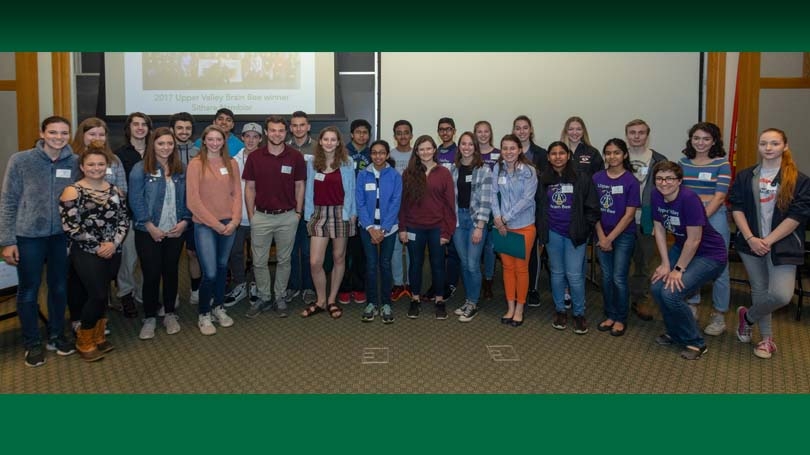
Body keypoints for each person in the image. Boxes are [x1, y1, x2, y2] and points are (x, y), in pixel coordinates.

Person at [1, 116, 77, 367]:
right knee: (29, 290)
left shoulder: (75, 162)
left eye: (63, 133)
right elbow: (8, 201)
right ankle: (31, 342)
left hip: (60, 237)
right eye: (53, 132)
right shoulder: (21, 160)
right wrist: (8, 240)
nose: (58, 137)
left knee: (58, 287)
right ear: (42, 133)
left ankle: (56, 335)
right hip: (28, 236)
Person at [730, 128, 810, 359]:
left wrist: (767, 241)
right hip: (750, 243)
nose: (768, 148)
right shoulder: (746, 176)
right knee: (760, 290)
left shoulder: (800, 180)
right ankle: (766, 340)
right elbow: (737, 207)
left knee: (781, 296)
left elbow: (796, 216)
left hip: (782, 245)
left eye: (774, 143)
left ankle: (747, 317)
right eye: (763, 143)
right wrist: (750, 238)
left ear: (785, 146)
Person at [60, 141, 129, 361]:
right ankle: (84, 338)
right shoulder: (72, 191)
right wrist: (99, 246)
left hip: (113, 250)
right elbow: (71, 227)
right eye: (91, 164)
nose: (96, 168)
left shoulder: (115, 191)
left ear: (106, 166)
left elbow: (123, 221)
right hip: (87, 251)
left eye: (100, 164)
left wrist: (114, 244)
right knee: (97, 294)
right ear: (82, 166)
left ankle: (99, 335)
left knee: (103, 295)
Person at [650, 161, 727, 360]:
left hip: (709, 253)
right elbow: (658, 230)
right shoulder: (656, 195)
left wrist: (678, 269)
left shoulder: (689, 199)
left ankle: (695, 342)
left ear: (679, 181)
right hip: (682, 247)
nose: (664, 183)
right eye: (659, 178)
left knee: (671, 293)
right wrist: (665, 264)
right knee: (657, 287)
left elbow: (695, 240)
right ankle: (675, 333)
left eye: (669, 178)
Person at [128, 127, 189, 339]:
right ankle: (150, 317)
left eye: (169, 144)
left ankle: (170, 313)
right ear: (153, 144)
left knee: (171, 272)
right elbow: (135, 199)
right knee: (151, 274)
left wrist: (184, 222)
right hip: (149, 231)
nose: (165, 148)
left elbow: (187, 198)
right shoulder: (140, 169)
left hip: (175, 230)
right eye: (161, 143)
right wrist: (148, 225)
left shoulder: (181, 169)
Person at [242, 115, 305, 318]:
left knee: (284, 260)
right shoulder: (255, 157)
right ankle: (264, 297)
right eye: (272, 130)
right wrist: (252, 215)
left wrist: (298, 213)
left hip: (287, 217)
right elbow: (249, 187)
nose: (276, 134)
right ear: (266, 133)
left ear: (285, 133)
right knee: (259, 262)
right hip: (261, 216)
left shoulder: (295, 156)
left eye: (280, 130)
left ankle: (279, 296)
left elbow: (300, 186)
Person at [67, 117, 127, 327]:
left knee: (101, 283)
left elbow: (122, 194)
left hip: (111, 235)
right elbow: (69, 202)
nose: (97, 138)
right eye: (92, 134)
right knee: (79, 281)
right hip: (82, 236)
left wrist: (113, 242)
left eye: (101, 134)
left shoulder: (114, 161)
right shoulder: (71, 159)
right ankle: (79, 322)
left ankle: (96, 322)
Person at [536, 141, 599, 334]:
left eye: (561, 153)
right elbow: (539, 206)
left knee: (574, 275)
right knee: (556, 273)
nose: (557, 157)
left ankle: (579, 313)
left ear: (568, 155)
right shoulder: (544, 179)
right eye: (553, 153)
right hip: (553, 233)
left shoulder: (581, 178)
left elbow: (592, 208)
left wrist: (584, 229)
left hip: (574, 235)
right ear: (548, 157)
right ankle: (560, 310)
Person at [186, 125, 242, 335]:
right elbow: (193, 201)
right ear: (204, 141)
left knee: (221, 268)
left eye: (219, 139)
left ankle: (219, 307)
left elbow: (237, 193)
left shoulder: (232, 163)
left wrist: (235, 220)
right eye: (210, 139)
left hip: (229, 223)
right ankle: (204, 313)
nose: (215, 143)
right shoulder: (195, 164)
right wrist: (216, 225)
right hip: (205, 225)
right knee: (208, 272)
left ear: (224, 141)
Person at [678, 122, 731, 335]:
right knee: (690, 262)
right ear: (691, 140)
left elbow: (719, 197)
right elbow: (679, 192)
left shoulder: (722, 163)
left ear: (714, 141)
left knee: (721, 267)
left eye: (706, 139)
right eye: (696, 138)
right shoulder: (682, 162)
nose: (700, 143)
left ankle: (719, 315)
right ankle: (692, 306)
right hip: (689, 218)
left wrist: (699, 218)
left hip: (714, 217)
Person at [301, 126, 357, 319]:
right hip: (318, 213)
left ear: (339, 142)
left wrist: (353, 213)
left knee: (338, 258)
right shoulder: (312, 163)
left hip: (342, 212)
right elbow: (309, 190)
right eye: (326, 139)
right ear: (321, 142)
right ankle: (320, 300)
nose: (329, 143)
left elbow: (352, 190)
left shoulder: (348, 162)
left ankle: (332, 300)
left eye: (333, 140)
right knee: (315, 261)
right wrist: (308, 214)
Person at [399, 135, 456, 320]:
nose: (425, 152)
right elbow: (403, 204)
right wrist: (402, 228)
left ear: (434, 150)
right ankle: (415, 299)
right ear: (416, 151)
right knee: (415, 264)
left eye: (428, 148)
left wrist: (447, 231)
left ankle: (439, 300)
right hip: (414, 227)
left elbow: (449, 205)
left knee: (438, 265)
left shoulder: (444, 173)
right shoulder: (408, 173)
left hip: (437, 228)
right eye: (421, 149)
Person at [593, 139, 640, 337]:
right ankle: (610, 314)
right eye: (609, 153)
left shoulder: (631, 181)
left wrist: (610, 238)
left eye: (617, 153)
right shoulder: (597, 178)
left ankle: (621, 317)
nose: (612, 156)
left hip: (622, 236)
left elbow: (629, 215)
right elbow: (593, 210)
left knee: (619, 278)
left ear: (625, 155)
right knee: (606, 277)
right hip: (601, 233)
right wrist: (602, 236)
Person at [490, 134, 538, 327]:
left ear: (519, 150)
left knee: (521, 268)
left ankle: (520, 308)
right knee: (507, 268)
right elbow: (493, 194)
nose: (508, 152)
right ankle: (510, 306)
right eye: (505, 148)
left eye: (512, 148)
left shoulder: (529, 171)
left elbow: (527, 200)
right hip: (502, 227)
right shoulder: (497, 168)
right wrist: (497, 218)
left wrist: (505, 218)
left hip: (523, 226)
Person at [356, 139, 402, 323]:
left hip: (388, 229)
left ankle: (386, 303)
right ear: (370, 155)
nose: (378, 156)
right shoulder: (362, 175)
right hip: (367, 228)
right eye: (374, 153)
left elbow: (395, 203)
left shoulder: (395, 176)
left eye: (382, 152)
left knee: (385, 264)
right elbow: (359, 203)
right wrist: (369, 227)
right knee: (371, 265)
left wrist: (383, 229)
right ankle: (372, 302)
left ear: (387, 155)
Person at [625, 119, 667, 321]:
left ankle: (639, 300)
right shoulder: (618, 157)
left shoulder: (659, 160)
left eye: (641, 132)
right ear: (627, 135)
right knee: (621, 262)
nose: (636, 136)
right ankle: (620, 299)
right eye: (632, 132)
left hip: (648, 219)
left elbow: (666, 191)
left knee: (643, 262)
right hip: (622, 218)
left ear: (647, 135)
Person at [452, 132, 493, 322]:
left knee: (472, 263)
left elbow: (486, 202)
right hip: (458, 220)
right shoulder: (454, 169)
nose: (466, 147)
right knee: (463, 262)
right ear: (459, 146)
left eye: (470, 144)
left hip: (475, 220)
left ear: (475, 147)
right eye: (463, 143)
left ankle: (473, 302)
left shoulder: (484, 170)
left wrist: (480, 226)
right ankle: (468, 300)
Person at [114, 112, 152, 317]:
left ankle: (145, 294)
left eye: (144, 124)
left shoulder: (156, 151)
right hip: (128, 215)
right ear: (128, 128)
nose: (140, 128)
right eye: (135, 124)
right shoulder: (119, 154)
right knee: (128, 258)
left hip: (153, 216)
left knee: (149, 259)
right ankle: (126, 293)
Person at [222, 122, 262, 308]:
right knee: (235, 252)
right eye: (248, 136)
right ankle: (240, 284)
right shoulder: (232, 162)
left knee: (257, 253)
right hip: (237, 217)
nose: (251, 140)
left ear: (261, 139)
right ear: (242, 138)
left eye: (255, 137)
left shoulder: (266, 160)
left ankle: (255, 284)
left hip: (260, 216)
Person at [511, 115, 548, 306]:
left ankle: (532, 289)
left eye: (525, 128)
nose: (522, 131)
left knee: (532, 253)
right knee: (512, 254)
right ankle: (515, 289)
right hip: (511, 213)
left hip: (533, 210)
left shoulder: (541, 154)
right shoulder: (509, 152)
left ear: (531, 130)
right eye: (518, 128)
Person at [170, 112, 203, 306]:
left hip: (193, 212)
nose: (184, 132)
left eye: (188, 128)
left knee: (193, 253)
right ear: (173, 129)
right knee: (171, 257)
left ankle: (195, 289)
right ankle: (171, 293)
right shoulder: (165, 149)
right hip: (170, 212)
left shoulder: (198, 152)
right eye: (180, 128)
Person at [338, 119, 371, 305]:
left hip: (365, 211)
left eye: (365, 132)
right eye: (358, 132)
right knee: (343, 253)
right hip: (344, 209)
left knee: (360, 252)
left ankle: (359, 287)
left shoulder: (373, 153)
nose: (361, 135)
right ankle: (344, 287)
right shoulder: (341, 153)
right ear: (351, 134)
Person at [285, 111, 317, 306]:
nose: (298, 128)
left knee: (307, 252)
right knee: (289, 251)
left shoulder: (317, 147)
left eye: (302, 125)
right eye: (295, 125)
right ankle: (292, 286)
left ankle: (308, 287)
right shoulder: (284, 148)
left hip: (311, 208)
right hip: (288, 207)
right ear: (290, 128)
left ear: (308, 126)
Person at [430, 116, 460, 301]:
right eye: (441, 129)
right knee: (438, 250)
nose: (445, 132)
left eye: (448, 129)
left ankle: (450, 284)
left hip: (455, 207)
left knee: (453, 250)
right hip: (436, 208)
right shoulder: (434, 152)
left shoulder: (460, 151)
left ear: (454, 131)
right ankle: (437, 282)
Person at [474, 121, 499, 300]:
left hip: (494, 207)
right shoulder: (470, 153)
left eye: (486, 131)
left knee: (490, 247)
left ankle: (488, 281)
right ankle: (473, 279)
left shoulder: (499, 154)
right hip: (474, 207)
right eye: (479, 132)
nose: (483, 135)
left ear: (490, 133)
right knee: (475, 246)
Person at [390, 120, 414, 302]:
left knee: (413, 249)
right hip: (394, 210)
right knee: (396, 250)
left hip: (415, 210)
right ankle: (398, 284)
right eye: (399, 133)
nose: (403, 136)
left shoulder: (418, 154)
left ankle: (412, 283)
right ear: (395, 136)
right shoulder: (389, 156)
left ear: (411, 135)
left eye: (406, 132)